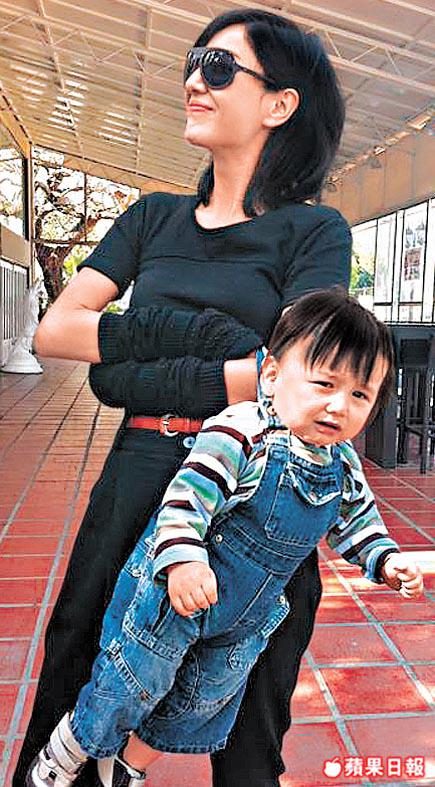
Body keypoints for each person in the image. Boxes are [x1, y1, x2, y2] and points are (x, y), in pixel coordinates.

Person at [15, 9, 353, 787]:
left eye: (221, 68)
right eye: (194, 63)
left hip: (257, 486)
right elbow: (57, 332)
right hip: (138, 465)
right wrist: (217, 350)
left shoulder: (313, 233)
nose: (195, 80)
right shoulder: (151, 218)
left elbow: (299, 379)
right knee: (75, 665)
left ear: (279, 103)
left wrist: (128, 362)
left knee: (247, 703)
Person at [26, 290, 424, 787]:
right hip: (175, 599)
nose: (338, 405)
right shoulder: (243, 430)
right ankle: (68, 749)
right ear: (272, 376)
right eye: (324, 383)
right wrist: (184, 561)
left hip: (244, 619)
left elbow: (358, 522)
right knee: (129, 685)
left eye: (360, 395)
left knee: (200, 706)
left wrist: (384, 560)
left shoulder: (342, 464)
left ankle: (128, 765)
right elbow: (186, 499)